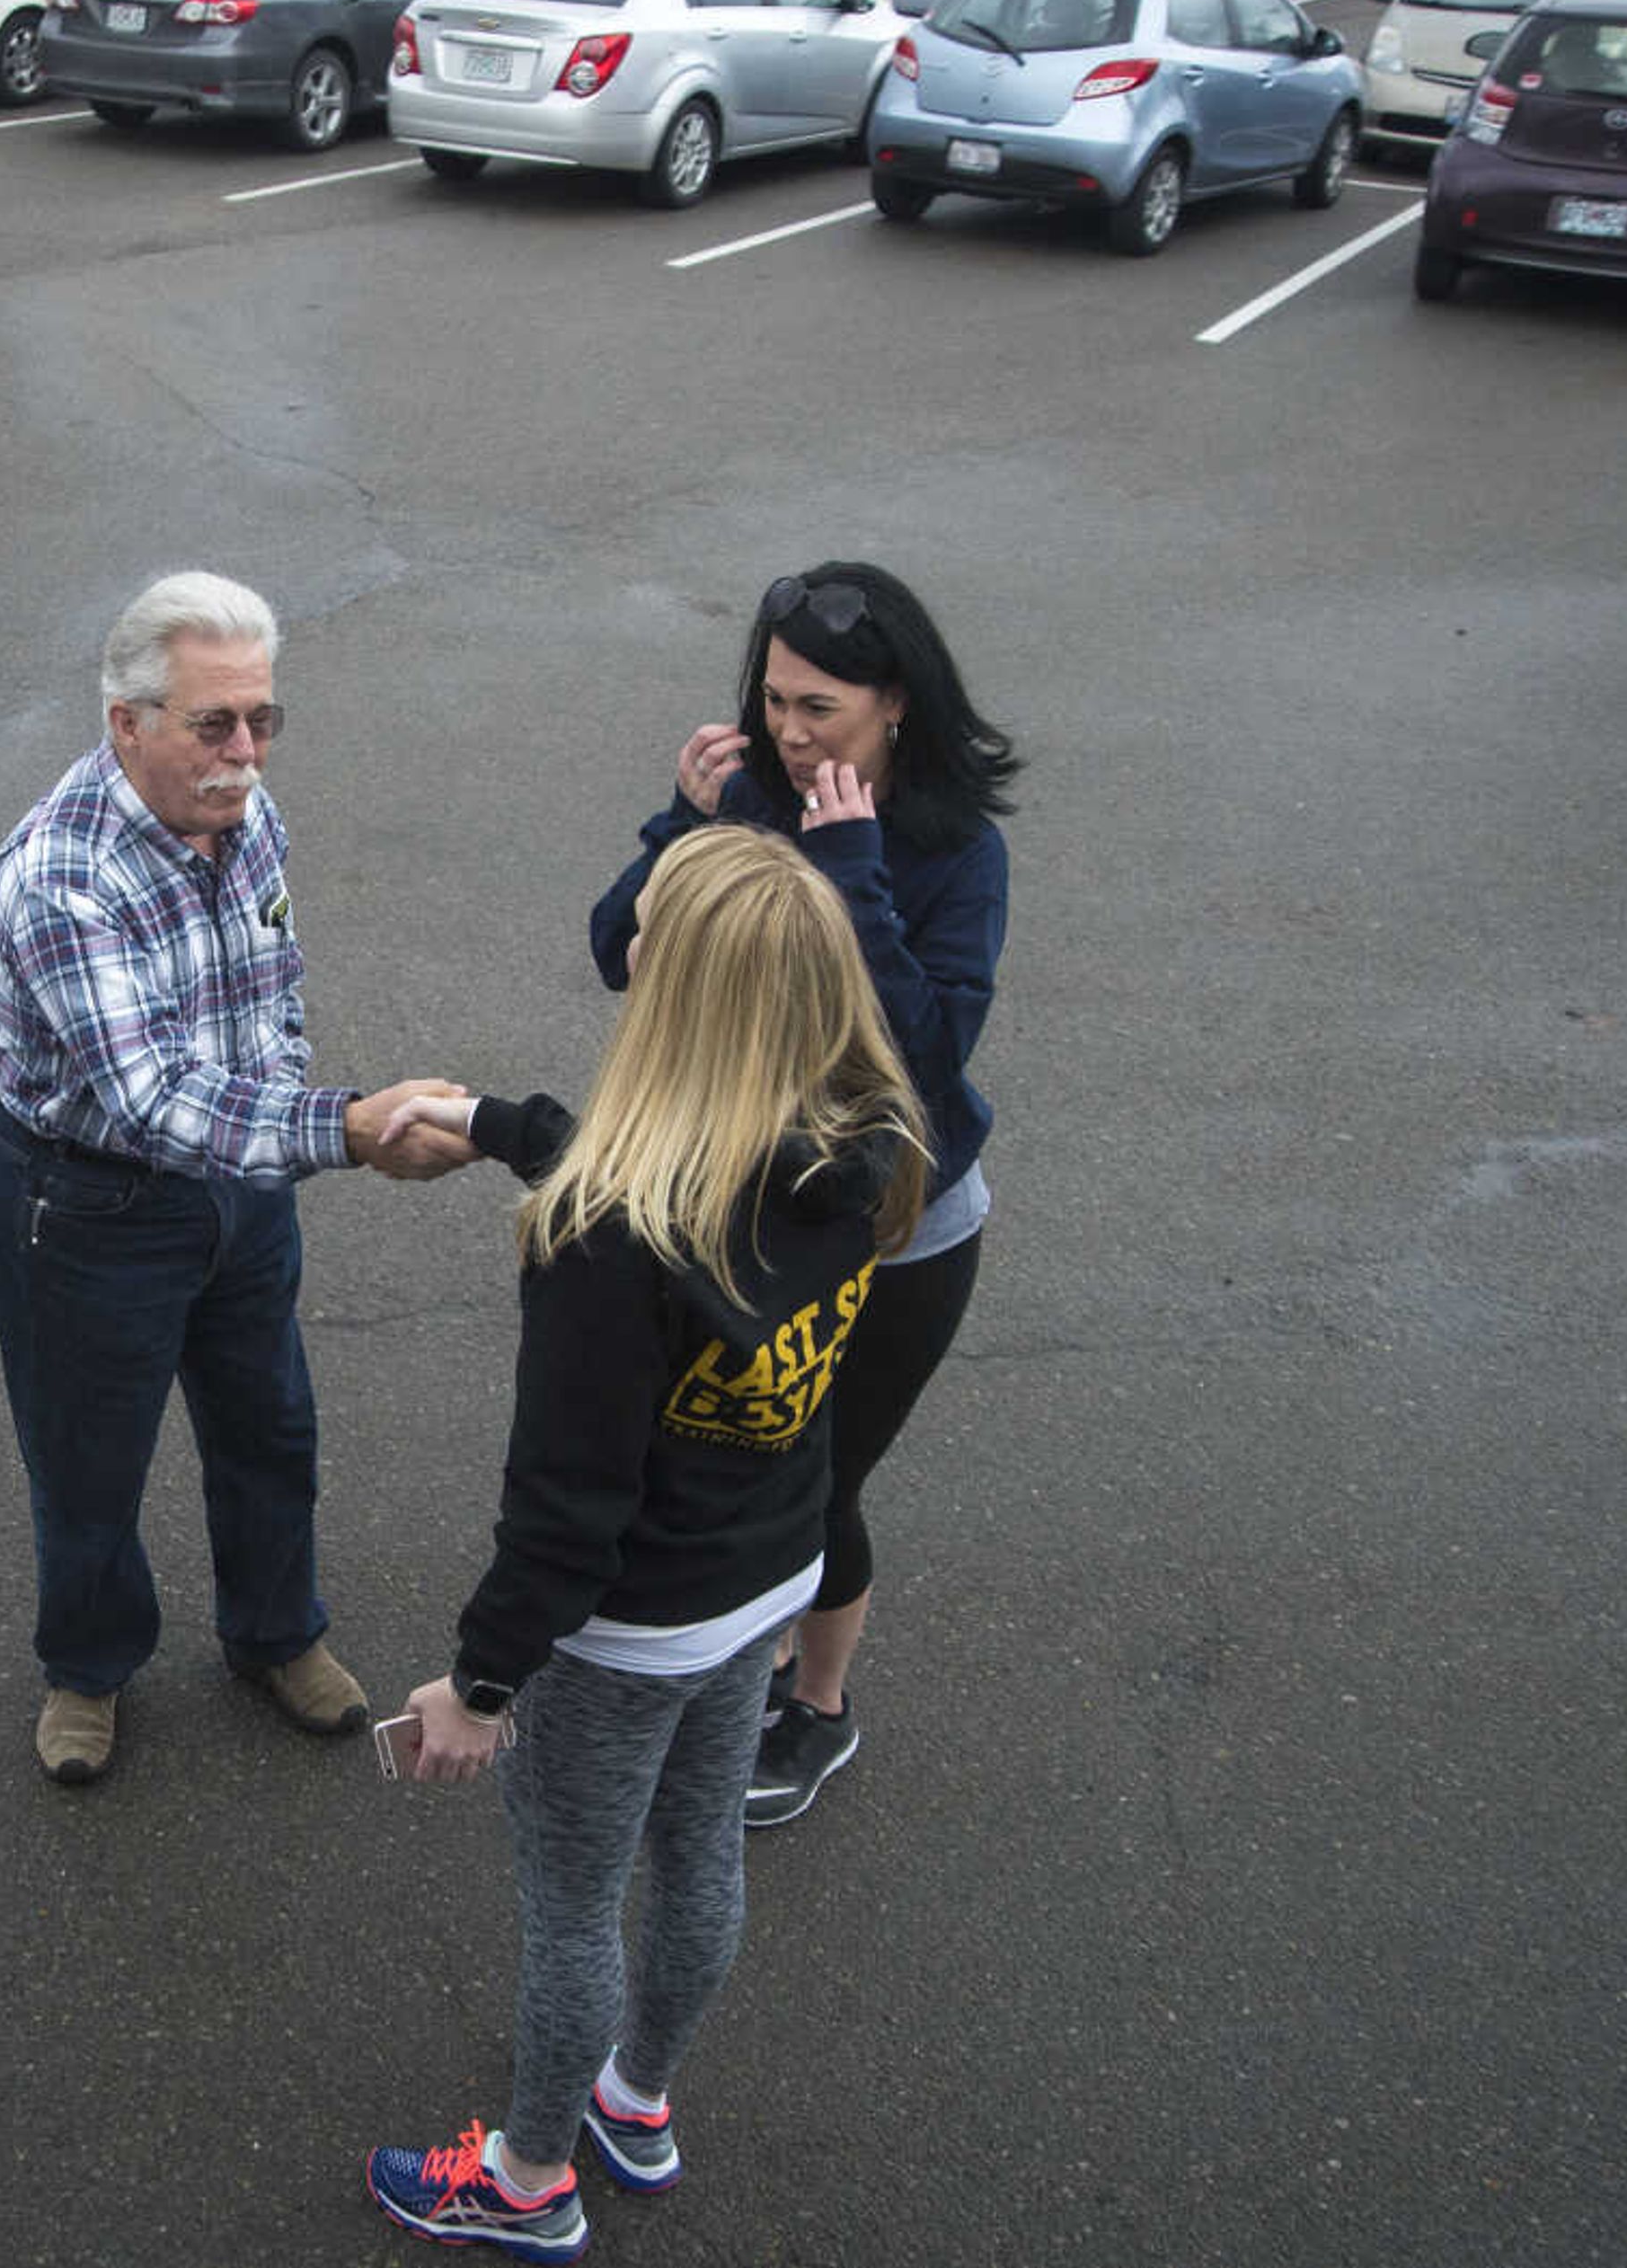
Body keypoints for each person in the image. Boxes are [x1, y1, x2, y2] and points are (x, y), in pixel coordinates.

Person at [363, 826, 931, 2261]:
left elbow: (565, 1511)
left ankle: (529, 2176)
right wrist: (499, 1119)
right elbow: (688, 1174)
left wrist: (477, 1688)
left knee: (568, 1906)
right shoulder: (866, 1149)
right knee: (698, 1860)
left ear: (673, 997)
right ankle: (640, 2101)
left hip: (622, 1634)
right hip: (768, 1581)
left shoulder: (603, 1241)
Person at [0, 570, 476, 1787]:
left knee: (270, 1426)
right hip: (92, 1205)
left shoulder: (247, 814)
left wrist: (299, 1102)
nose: (245, 751)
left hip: (245, 1183)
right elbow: (149, 1095)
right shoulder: (60, 877)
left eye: (263, 720)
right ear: (128, 724)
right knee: (89, 1462)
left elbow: (270, 988)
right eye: (215, 724)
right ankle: (89, 1668)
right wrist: (347, 1129)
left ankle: (274, 1634)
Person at [584, 560, 1019, 1828]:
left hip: (894, 1235)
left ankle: (818, 1709)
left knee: (820, 1480)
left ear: (897, 707)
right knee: (738, 1464)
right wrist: (682, 817)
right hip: (741, 1212)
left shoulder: (953, 853)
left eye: (818, 706)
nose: (785, 728)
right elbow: (623, 950)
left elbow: (926, 1061)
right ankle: (747, 1663)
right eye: (773, 698)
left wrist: (853, 866)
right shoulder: (752, 800)